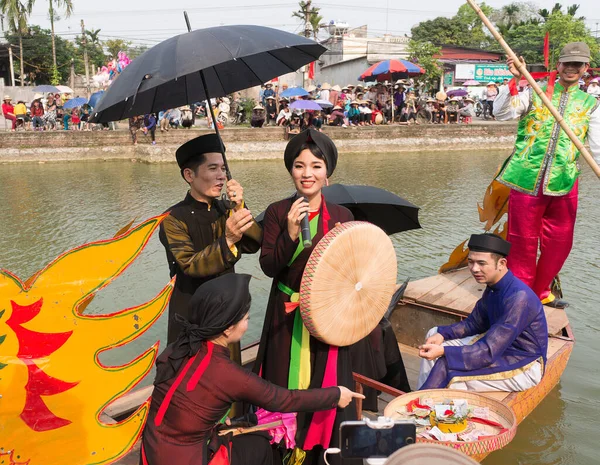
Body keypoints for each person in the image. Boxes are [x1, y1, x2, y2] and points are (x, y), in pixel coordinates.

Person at [141, 273, 364, 465]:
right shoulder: (227, 373)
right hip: (187, 459)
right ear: (228, 329)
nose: (247, 324)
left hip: (149, 451)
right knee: (261, 446)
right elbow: (285, 399)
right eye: (246, 319)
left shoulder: (177, 348)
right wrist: (336, 394)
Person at [253, 129, 358, 462]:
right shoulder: (276, 212)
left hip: (328, 313)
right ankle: (282, 442)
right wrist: (291, 232)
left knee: (324, 373)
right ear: (290, 170)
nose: (307, 174)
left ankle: (319, 443)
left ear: (327, 173)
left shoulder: (343, 216)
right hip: (287, 313)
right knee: (283, 375)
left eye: (316, 166)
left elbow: (352, 267)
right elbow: (270, 265)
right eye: (299, 166)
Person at [493, 42, 600, 307]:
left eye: (578, 65)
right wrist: (516, 80)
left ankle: (541, 291)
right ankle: (521, 295)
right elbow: (501, 114)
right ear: (558, 65)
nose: (572, 69)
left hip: (564, 181)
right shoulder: (535, 92)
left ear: (585, 68)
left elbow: (597, 145)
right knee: (522, 243)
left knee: (560, 242)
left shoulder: (590, 104)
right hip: (526, 179)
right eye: (568, 64)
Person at [159, 133, 262, 343]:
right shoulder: (172, 219)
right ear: (189, 175)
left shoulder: (226, 208)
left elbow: (254, 243)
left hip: (227, 308)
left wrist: (240, 206)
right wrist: (228, 240)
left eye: (223, 169)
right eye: (213, 168)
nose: (222, 176)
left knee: (227, 366)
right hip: (191, 311)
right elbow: (190, 264)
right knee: (193, 371)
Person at [418, 234, 548, 391]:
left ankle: (425, 406)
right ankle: (423, 398)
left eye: (481, 263)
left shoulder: (519, 299)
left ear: (501, 263)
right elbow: (475, 323)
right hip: (499, 347)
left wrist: (446, 351)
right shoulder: (494, 286)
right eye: (471, 262)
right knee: (434, 334)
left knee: (448, 367)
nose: (474, 269)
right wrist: (442, 334)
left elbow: (488, 351)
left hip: (523, 363)